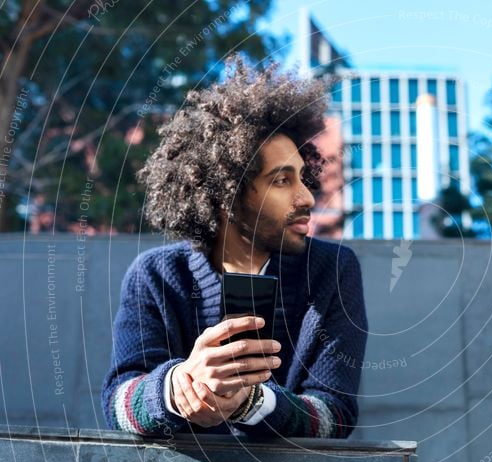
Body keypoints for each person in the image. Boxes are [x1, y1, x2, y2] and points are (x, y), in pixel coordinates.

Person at [101, 57, 368, 438]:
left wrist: (251, 403)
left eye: (303, 178)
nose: (307, 197)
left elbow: (334, 415)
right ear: (226, 196)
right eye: (282, 181)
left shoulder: (332, 270)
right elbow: (117, 404)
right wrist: (178, 388)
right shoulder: (156, 275)